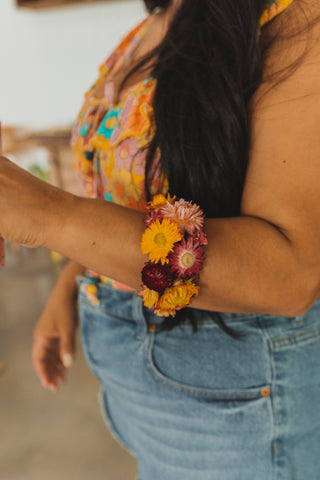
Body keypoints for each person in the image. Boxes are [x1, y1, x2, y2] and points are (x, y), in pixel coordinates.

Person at [1, 0, 320, 477]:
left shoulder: (296, 19)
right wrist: (77, 276)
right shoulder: (154, 24)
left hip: (232, 391)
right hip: (133, 376)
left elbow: (289, 273)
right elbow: (130, 196)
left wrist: (52, 216)